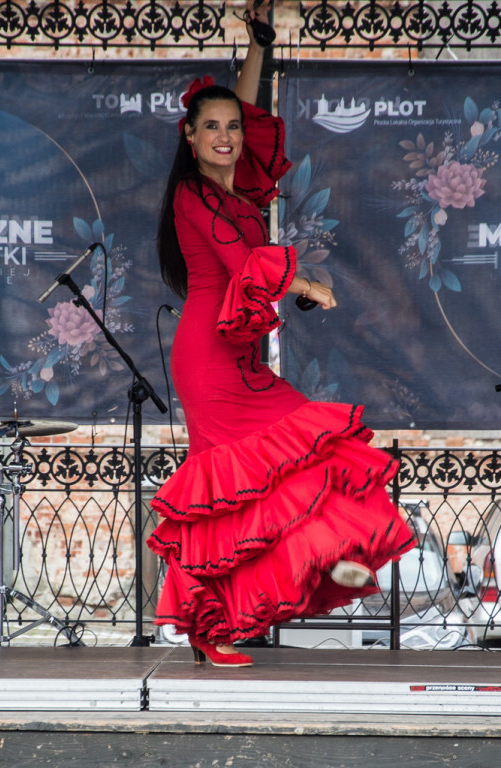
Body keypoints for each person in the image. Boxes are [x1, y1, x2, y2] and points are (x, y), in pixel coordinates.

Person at [146, 0, 415, 667]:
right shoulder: (193, 197)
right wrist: (308, 285)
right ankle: (210, 627)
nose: (228, 135)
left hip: (240, 360)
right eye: (211, 128)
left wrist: (258, 46)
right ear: (189, 136)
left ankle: (332, 553)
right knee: (222, 492)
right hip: (208, 364)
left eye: (231, 127)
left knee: (313, 451)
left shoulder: (238, 190)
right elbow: (246, 266)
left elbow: (250, 112)